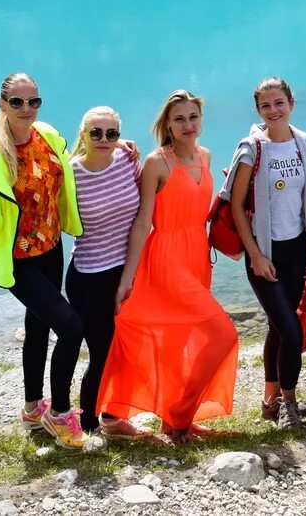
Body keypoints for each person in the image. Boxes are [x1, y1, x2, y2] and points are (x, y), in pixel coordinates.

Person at [98, 90, 239, 442]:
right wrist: (126, 280)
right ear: (167, 125)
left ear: (201, 120)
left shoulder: (205, 157)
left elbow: (203, 207)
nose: (188, 125)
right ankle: (177, 418)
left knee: (180, 340)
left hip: (196, 257)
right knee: (223, 334)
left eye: (193, 117)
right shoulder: (156, 162)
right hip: (165, 259)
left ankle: (176, 419)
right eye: (179, 119)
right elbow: (143, 221)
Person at [0, 73, 88, 449]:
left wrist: (109, 147)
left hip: (50, 249)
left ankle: (32, 409)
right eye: (17, 102)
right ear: (2, 104)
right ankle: (60, 415)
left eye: (33, 101)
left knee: (39, 327)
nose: (26, 109)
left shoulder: (45, 133)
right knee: (72, 328)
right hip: (20, 262)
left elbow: (66, 160)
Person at [219, 78, 306, 430]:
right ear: (259, 110)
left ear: (291, 102)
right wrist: (256, 256)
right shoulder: (252, 148)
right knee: (293, 333)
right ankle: (289, 404)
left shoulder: (303, 143)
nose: (274, 110)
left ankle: (269, 399)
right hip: (264, 253)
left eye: (279, 103)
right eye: (266, 106)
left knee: (280, 326)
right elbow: (236, 207)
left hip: (296, 249)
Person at [65, 105, 145, 440]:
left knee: (127, 349)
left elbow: (152, 197)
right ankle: (88, 424)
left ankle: (113, 416)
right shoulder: (70, 174)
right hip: (89, 275)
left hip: (124, 270)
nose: (104, 139)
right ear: (82, 133)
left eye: (111, 133)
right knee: (103, 352)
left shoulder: (127, 160)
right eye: (96, 132)